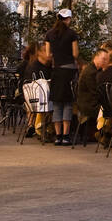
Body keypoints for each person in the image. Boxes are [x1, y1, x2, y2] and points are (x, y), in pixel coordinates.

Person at [43, 9, 81, 145]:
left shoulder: (49, 34)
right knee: (68, 104)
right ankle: (66, 136)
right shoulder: (72, 34)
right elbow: (75, 54)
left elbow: (48, 55)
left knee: (57, 103)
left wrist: (57, 56)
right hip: (69, 71)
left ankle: (57, 136)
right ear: (68, 19)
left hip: (56, 71)